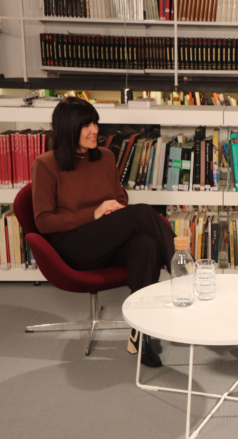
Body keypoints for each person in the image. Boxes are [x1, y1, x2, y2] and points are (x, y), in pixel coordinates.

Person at [31, 97, 175, 368]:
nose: (95, 130)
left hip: (107, 239)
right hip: (75, 246)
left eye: (95, 123)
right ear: (68, 128)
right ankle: (184, 274)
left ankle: (141, 334)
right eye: (86, 125)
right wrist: (94, 213)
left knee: (146, 244)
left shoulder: (106, 157)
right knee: (144, 213)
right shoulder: (46, 164)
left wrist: (115, 209)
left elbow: (119, 197)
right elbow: (44, 222)